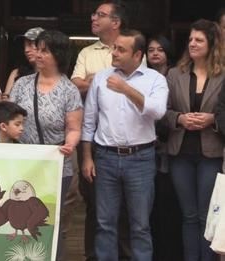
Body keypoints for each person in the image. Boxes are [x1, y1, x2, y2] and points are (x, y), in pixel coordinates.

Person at [82, 29, 168, 261]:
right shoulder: (101, 77)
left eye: (121, 49)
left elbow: (158, 111)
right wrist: (87, 157)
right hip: (105, 157)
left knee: (140, 225)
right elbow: (89, 121)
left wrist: (126, 89)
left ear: (138, 55)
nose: (115, 52)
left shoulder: (155, 79)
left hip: (140, 158)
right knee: (104, 223)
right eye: (114, 48)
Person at [9, 30, 83, 260]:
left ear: (58, 55)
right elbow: (8, 117)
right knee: (21, 220)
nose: (37, 54)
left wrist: (69, 145)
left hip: (56, 166)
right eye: (37, 49)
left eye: (44, 50)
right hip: (24, 166)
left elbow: (73, 129)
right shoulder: (22, 84)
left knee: (51, 223)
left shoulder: (69, 90)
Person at [70, 1, 132, 260]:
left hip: (127, 137)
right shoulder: (87, 52)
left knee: (127, 209)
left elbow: (137, 85)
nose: (93, 18)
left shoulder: (132, 47)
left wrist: (97, 79)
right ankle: (93, 256)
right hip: (94, 137)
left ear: (116, 22)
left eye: (100, 15)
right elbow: (75, 84)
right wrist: (94, 80)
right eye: (94, 14)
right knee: (95, 204)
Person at [163, 19, 224, 261]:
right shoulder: (174, 73)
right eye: (190, 39)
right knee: (188, 216)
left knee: (206, 216)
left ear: (212, 44)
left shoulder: (223, 74)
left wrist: (213, 119)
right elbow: (162, 112)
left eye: (199, 40)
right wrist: (179, 119)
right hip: (180, 154)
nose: (192, 44)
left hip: (212, 153)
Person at [145, 34, 183, 261]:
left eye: (160, 49)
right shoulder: (142, 78)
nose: (156, 53)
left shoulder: (178, 76)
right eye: (151, 50)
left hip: (170, 148)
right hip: (145, 150)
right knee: (150, 209)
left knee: (170, 205)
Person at [3, 27, 44, 100]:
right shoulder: (16, 73)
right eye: (25, 46)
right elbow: (5, 101)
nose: (26, 50)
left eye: (31, 44)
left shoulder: (53, 76)